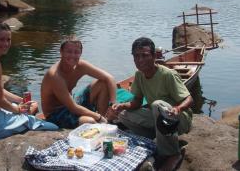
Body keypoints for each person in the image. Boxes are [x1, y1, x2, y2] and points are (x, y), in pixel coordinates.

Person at [110, 37, 193, 171]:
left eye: (145, 55)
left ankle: (172, 153)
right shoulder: (139, 75)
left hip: (177, 119)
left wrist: (178, 109)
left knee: (157, 105)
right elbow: (137, 102)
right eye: (136, 56)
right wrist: (121, 106)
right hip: (158, 118)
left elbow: (189, 99)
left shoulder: (168, 74)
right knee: (123, 114)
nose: (140, 60)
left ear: (154, 56)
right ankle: (155, 139)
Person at [0, 22, 58, 141]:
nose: (6, 44)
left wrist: (20, 100)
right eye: (2, 39)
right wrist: (19, 110)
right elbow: (0, 101)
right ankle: (31, 120)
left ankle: (29, 117)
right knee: (53, 127)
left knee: (30, 105)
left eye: (8, 40)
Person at [41, 35, 117, 129]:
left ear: (81, 53)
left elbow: (109, 78)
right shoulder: (55, 75)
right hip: (55, 114)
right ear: (61, 52)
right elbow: (73, 107)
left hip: (71, 103)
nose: (73, 55)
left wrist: (113, 104)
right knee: (90, 122)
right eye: (69, 51)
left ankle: (103, 124)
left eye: (76, 52)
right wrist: (98, 117)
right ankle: (101, 122)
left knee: (103, 83)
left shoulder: (81, 65)